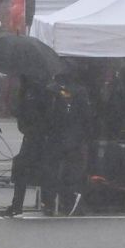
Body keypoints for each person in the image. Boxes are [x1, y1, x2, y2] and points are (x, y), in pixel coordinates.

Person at [42, 72, 91, 216]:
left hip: (54, 135)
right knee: (72, 171)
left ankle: (49, 202)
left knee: (51, 170)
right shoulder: (80, 91)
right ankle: (69, 201)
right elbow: (86, 115)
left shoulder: (49, 90)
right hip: (74, 135)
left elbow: (44, 113)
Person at [0, 74, 49, 218]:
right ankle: (48, 202)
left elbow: (25, 113)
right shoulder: (40, 90)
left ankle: (17, 205)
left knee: (22, 168)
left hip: (35, 135)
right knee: (43, 168)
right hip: (39, 135)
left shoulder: (32, 92)